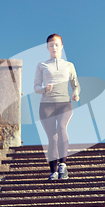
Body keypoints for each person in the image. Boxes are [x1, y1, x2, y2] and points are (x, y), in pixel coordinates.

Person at [34, 34, 80, 180]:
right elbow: (35, 86)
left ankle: (63, 165)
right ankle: (53, 171)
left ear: (61, 46)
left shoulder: (69, 65)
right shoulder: (42, 65)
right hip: (46, 105)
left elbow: (75, 84)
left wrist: (76, 94)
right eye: (51, 45)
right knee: (52, 138)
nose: (54, 47)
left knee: (61, 128)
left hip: (64, 103)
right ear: (47, 48)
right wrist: (43, 89)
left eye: (57, 44)